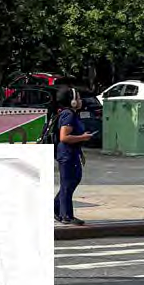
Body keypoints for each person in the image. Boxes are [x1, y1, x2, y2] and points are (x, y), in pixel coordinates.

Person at [52, 87, 93, 227]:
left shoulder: (70, 114)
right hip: (67, 154)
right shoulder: (68, 115)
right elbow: (64, 137)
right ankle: (66, 215)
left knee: (71, 181)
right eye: (79, 98)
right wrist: (83, 137)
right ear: (72, 101)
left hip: (71, 152)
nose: (81, 101)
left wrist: (80, 152)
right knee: (68, 183)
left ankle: (57, 208)